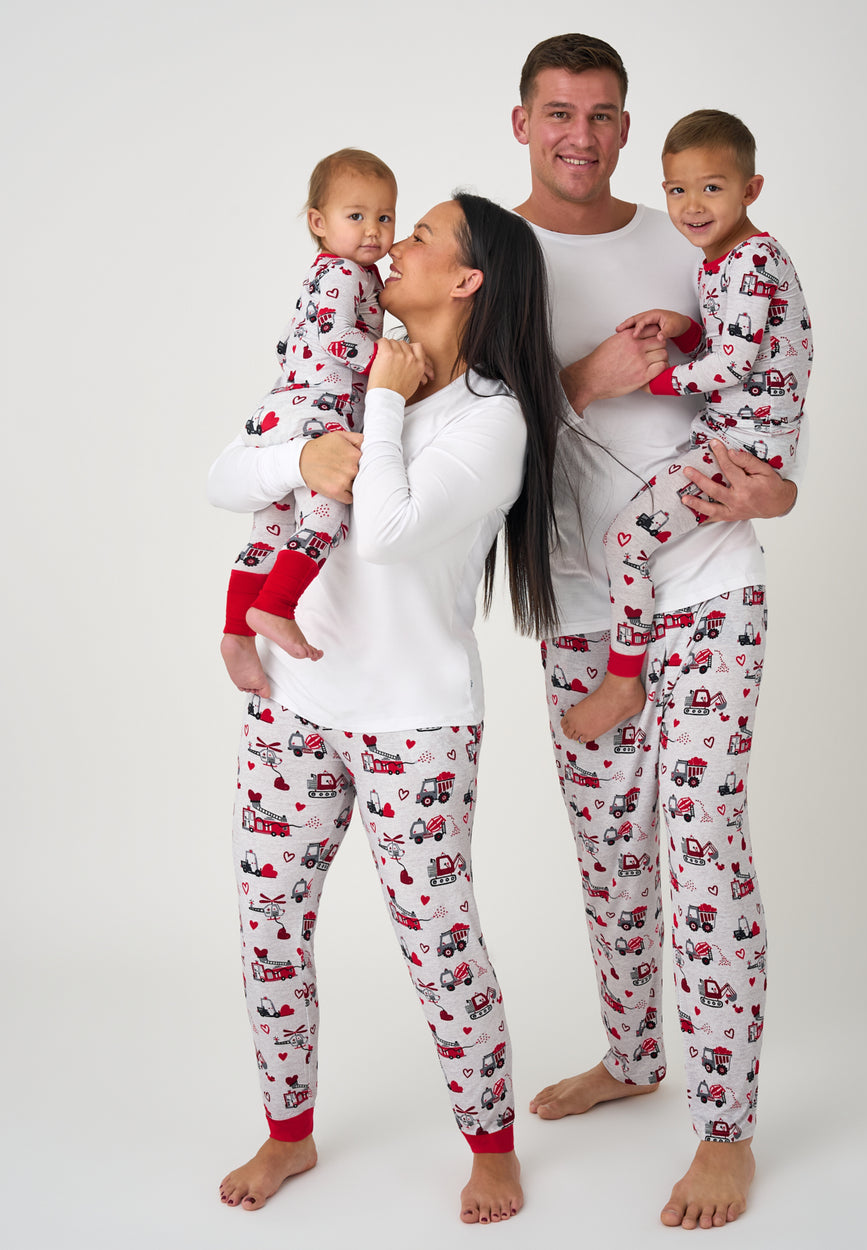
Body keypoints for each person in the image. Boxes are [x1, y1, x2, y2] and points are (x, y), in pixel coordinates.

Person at [209, 192, 564, 1224]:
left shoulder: (494, 420)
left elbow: (387, 532)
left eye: (418, 237)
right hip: (296, 700)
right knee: (268, 924)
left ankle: (490, 1144)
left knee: (436, 937)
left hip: (415, 722)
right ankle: (289, 1131)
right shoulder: (349, 352)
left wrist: (379, 403)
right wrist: (298, 457)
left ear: (466, 281)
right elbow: (227, 472)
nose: (390, 244)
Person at [510, 34, 803, 1230]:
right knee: (610, 860)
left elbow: (769, 373)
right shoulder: (490, 252)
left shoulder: (692, 230)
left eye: (603, 113)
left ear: (628, 126)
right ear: (521, 121)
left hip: (707, 585)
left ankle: (725, 1128)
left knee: (702, 847)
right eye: (558, 111)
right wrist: (588, 373)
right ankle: (633, 1053)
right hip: (577, 605)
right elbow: (474, 420)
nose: (581, 132)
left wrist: (780, 491)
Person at [561, 109, 811, 743]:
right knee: (632, 542)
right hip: (733, 435)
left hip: (740, 446)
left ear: (751, 190)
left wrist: (653, 381)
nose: (691, 206)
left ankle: (622, 680)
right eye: (676, 190)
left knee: (626, 543)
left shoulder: (753, 259)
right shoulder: (715, 262)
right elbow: (737, 340)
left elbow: (731, 364)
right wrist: (685, 327)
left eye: (712, 187)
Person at [220, 149, 396, 694]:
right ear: (318, 223)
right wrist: (388, 357)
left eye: (385, 217)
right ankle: (276, 606)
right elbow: (335, 338)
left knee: (270, 529)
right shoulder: (344, 273)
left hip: (282, 411)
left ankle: (236, 633)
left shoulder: (341, 271)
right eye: (356, 216)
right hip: (317, 412)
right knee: (326, 515)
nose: (373, 230)